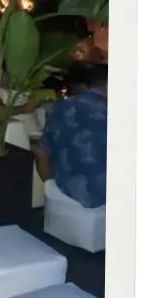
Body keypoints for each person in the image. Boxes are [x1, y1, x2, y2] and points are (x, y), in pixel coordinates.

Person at [33, 62, 107, 209]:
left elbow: (43, 154)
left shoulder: (60, 107)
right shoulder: (118, 111)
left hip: (67, 188)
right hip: (104, 193)